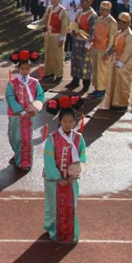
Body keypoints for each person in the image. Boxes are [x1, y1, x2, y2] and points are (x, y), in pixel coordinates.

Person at [43, 95, 87, 244]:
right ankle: (54, 231)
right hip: (54, 180)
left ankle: (71, 233)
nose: (68, 124)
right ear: (60, 122)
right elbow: (48, 160)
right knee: (53, 206)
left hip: (71, 179)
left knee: (70, 206)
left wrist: (74, 175)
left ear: (75, 122)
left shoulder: (79, 138)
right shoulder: (52, 138)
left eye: (71, 121)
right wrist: (58, 177)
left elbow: (82, 158)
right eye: (65, 121)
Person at [6, 50, 45, 171]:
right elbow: (10, 97)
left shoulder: (34, 82)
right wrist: (20, 111)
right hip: (16, 115)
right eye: (22, 69)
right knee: (14, 137)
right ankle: (17, 154)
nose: (25, 71)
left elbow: (40, 96)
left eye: (27, 69)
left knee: (27, 138)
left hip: (29, 114)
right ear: (18, 69)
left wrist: (35, 107)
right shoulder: (12, 83)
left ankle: (25, 162)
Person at [102, 12, 132, 113]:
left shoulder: (130, 36)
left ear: (127, 24)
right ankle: (114, 103)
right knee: (114, 83)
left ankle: (122, 104)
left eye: (121, 23)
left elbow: (128, 51)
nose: (119, 25)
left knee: (122, 84)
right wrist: (108, 53)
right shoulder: (118, 33)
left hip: (124, 65)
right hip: (115, 62)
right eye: (118, 23)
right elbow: (113, 46)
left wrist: (121, 62)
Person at [66, 0, 98, 93]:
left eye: (85, 2)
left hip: (85, 42)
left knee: (85, 63)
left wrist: (88, 45)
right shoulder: (79, 12)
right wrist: (72, 31)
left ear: (89, 3)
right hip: (76, 41)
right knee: (75, 61)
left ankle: (86, 83)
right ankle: (75, 80)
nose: (83, 3)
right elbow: (75, 24)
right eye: (82, 1)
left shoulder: (93, 15)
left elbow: (93, 33)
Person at [89, 1, 118, 99]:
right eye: (101, 9)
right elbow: (95, 31)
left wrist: (108, 52)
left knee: (102, 70)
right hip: (96, 47)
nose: (101, 11)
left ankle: (102, 90)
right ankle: (97, 88)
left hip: (104, 49)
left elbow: (112, 38)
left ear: (108, 10)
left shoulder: (112, 22)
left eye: (104, 10)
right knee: (96, 69)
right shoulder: (99, 19)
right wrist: (92, 38)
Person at [39, 0, 69, 83]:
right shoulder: (49, 8)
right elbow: (44, 20)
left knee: (58, 56)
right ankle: (49, 73)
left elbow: (64, 26)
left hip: (57, 36)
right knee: (48, 54)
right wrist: (35, 24)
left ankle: (59, 75)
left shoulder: (63, 11)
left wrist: (62, 38)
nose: (53, 0)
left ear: (59, 0)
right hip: (49, 35)